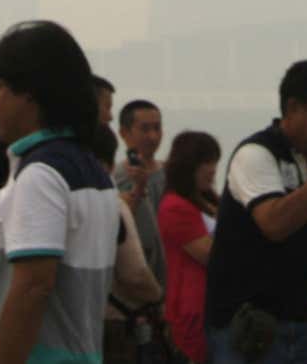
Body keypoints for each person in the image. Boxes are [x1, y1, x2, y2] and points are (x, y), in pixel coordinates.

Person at [0, 21, 119, 364]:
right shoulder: (94, 173)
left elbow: (33, 287)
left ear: (32, 93)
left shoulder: (41, 176)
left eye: (2, 89)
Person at [206, 60, 307, 364]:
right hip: (247, 326)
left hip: (302, 320)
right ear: (293, 107)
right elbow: (274, 223)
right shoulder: (256, 155)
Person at [88, 124, 162, 364]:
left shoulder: (64, 202)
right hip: (116, 320)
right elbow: (135, 274)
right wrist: (159, 298)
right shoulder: (111, 203)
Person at [158, 131, 221, 363]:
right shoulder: (175, 206)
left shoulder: (209, 200)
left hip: (214, 308)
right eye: (206, 162)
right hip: (193, 310)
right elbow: (210, 255)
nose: (212, 169)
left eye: (214, 161)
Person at [113, 100, 167, 290]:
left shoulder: (169, 172)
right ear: (124, 133)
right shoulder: (118, 177)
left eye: (157, 128)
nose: (153, 136)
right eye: (144, 129)